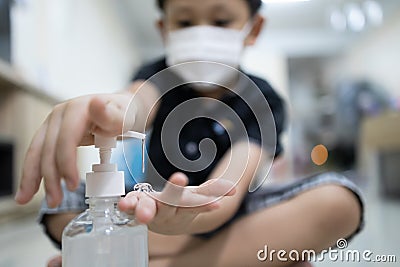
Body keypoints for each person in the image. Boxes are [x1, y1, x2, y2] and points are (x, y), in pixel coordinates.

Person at [15, 0, 364, 266]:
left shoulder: (263, 100)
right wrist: (106, 111)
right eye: (184, 22)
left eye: (221, 20)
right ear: (164, 28)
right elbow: (133, 106)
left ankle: (131, 258)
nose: (201, 31)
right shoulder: (155, 75)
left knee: (339, 202)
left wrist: (187, 219)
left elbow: (228, 192)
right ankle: (240, 257)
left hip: (228, 215)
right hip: (145, 208)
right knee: (61, 201)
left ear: (253, 28)